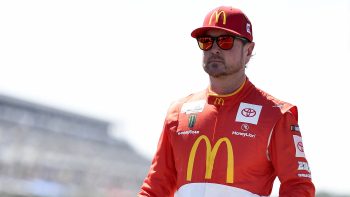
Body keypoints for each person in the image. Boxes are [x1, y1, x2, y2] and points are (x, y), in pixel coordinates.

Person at [139, 5, 315, 197]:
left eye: (225, 41)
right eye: (206, 41)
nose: (214, 48)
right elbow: (154, 189)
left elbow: (298, 187)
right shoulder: (178, 112)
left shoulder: (277, 115)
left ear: (248, 50)